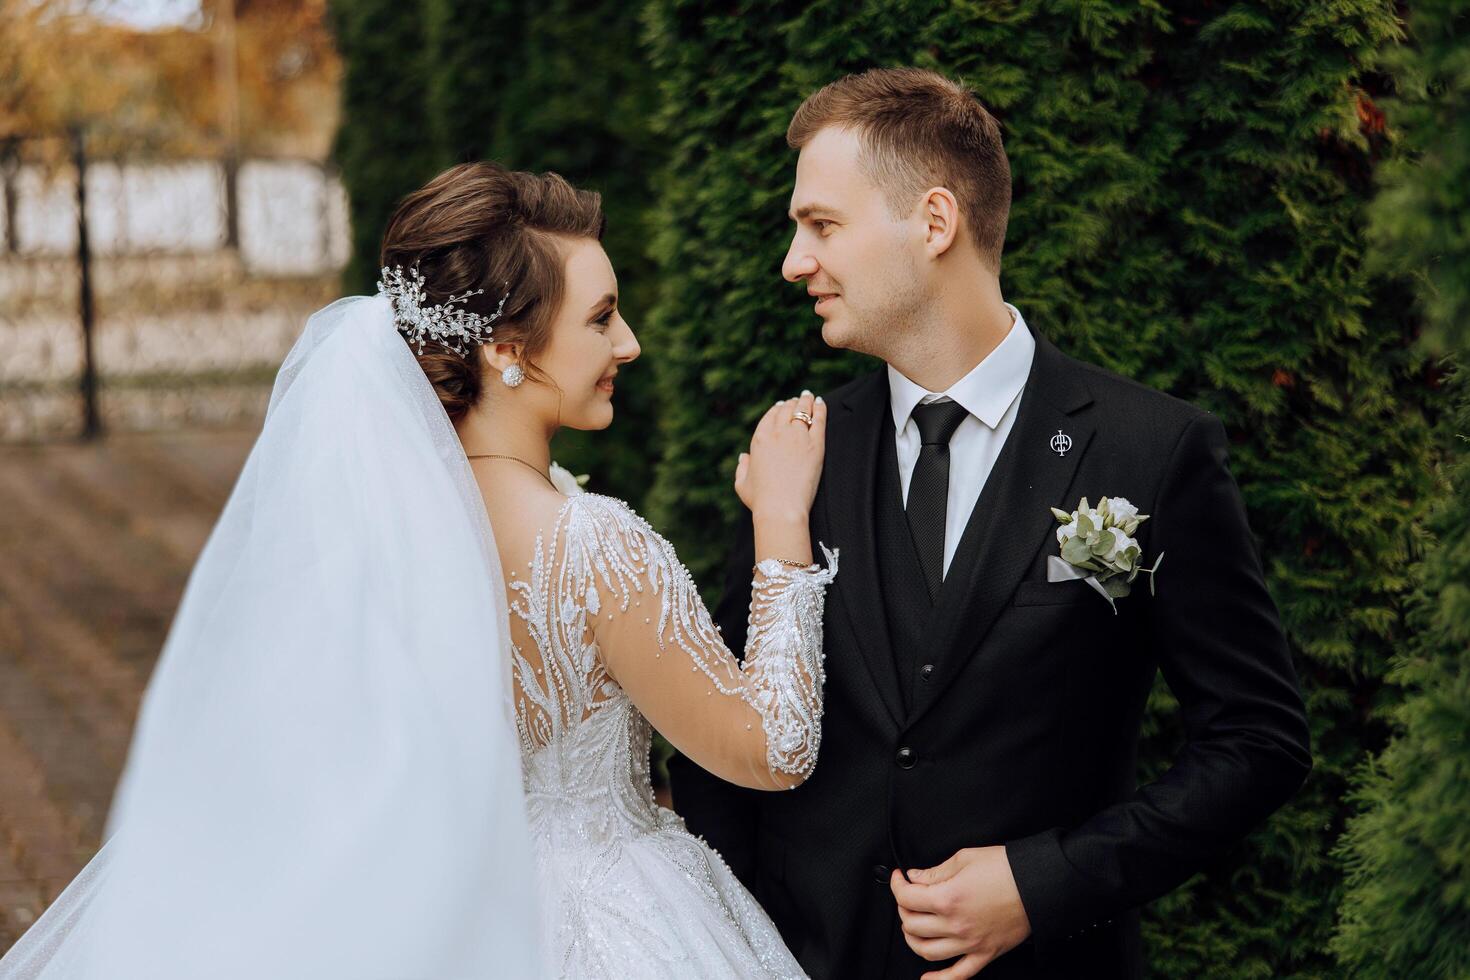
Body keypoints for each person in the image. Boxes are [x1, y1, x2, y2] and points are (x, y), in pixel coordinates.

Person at [0, 161, 834, 980]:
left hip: (437, 913)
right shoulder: (592, 546)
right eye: (602, 318)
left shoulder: (374, 521)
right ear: (508, 347)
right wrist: (782, 522)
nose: (629, 342)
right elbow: (774, 747)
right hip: (618, 919)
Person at [670, 66, 1313, 980]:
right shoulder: (798, 453)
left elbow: (1259, 739)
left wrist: (1048, 881)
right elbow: (723, 752)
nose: (794, 262)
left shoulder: (1149, 450)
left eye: (821, 226)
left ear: (934, 224)